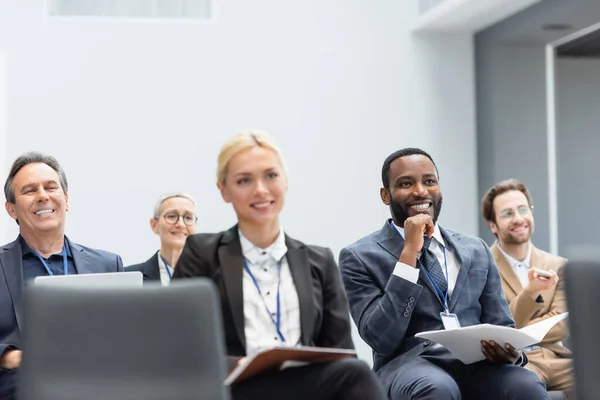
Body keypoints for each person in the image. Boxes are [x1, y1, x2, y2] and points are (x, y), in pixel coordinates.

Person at [173, 131, 386, 400]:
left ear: (285, 181)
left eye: (270, 176)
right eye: (244, 180)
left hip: (304, 387)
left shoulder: (319, 261)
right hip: (234, 389)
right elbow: (180, 345)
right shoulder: (201, 253)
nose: (260, 189)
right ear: (224, 191)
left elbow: (340, 351)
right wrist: (237, 365)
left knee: (355, 372)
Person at [339, 148, 549, 400]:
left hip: (477, 364)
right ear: (386, 195)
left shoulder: (475, 249)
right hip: (409, 366)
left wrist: (512, 353)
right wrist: (409, 253)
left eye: (429, 181)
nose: (420, 191)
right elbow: (380, 338)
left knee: (525, 384)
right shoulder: (359, 256)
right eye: (406, 183)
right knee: (436, 388)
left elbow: (501, 323)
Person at [0, 152, 123, 399]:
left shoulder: (108, 264)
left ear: (65, 200)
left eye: (50, 187)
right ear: (12, 209)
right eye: (30, 190)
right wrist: (10, 356)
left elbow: (129, 338)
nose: (43, 196)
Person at [482, 178, 572, 397]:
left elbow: (562, 325)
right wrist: (530, 292)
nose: (518, 218)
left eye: (523, 209)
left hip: (557, 358)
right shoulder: (483, 267)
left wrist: (518, 328)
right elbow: (500, 330)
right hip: (516, 362)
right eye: (507, 213)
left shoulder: (558, 265)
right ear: (493, 225)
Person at [127, 192, 197, 285]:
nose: (180, 224)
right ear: (154, 225)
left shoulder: (210, 276)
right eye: (172, 216)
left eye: (188, 218)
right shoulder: (131, 278)